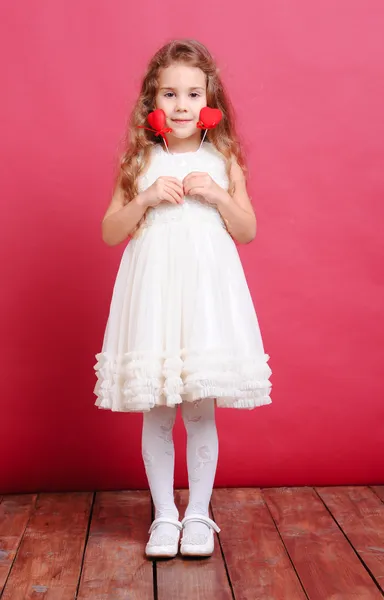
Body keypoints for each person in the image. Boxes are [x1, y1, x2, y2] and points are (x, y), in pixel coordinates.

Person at [94, 39, 272, 559]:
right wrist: (146, 196)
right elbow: (110, 231)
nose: (181, 105)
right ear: (154, 100)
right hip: (154, 297)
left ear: (209, 99)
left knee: (198, 409)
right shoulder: (140, 160)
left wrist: (217, 194)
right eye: (170, 93)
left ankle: (198, 514)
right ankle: (163, 517)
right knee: (157, 410)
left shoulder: (223, 159)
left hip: (203, 299)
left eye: (193, 93)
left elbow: (247, 230)